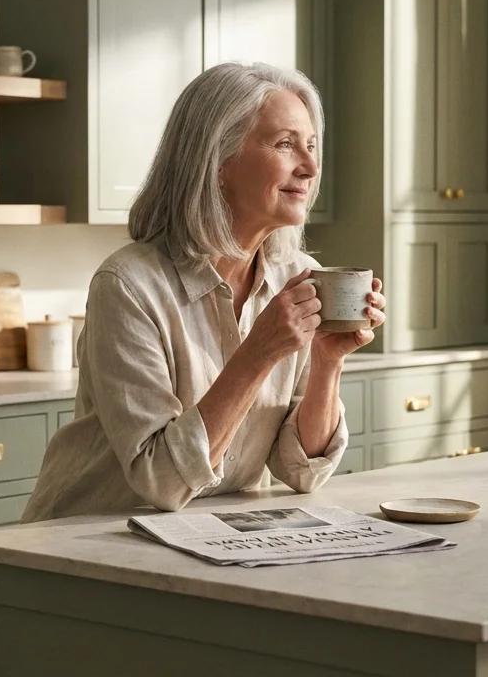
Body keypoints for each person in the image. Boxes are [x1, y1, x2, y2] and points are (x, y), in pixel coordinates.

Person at [20, 62, 386, 523]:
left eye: (311, 146)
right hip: (90, 543)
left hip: (212, 539)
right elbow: (162, 479)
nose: (311, 167)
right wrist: (260, 351)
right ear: (217, 163)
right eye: (286, 144)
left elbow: (301, 469)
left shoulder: (300, 276)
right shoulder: (128, 287)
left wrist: (328, 362)